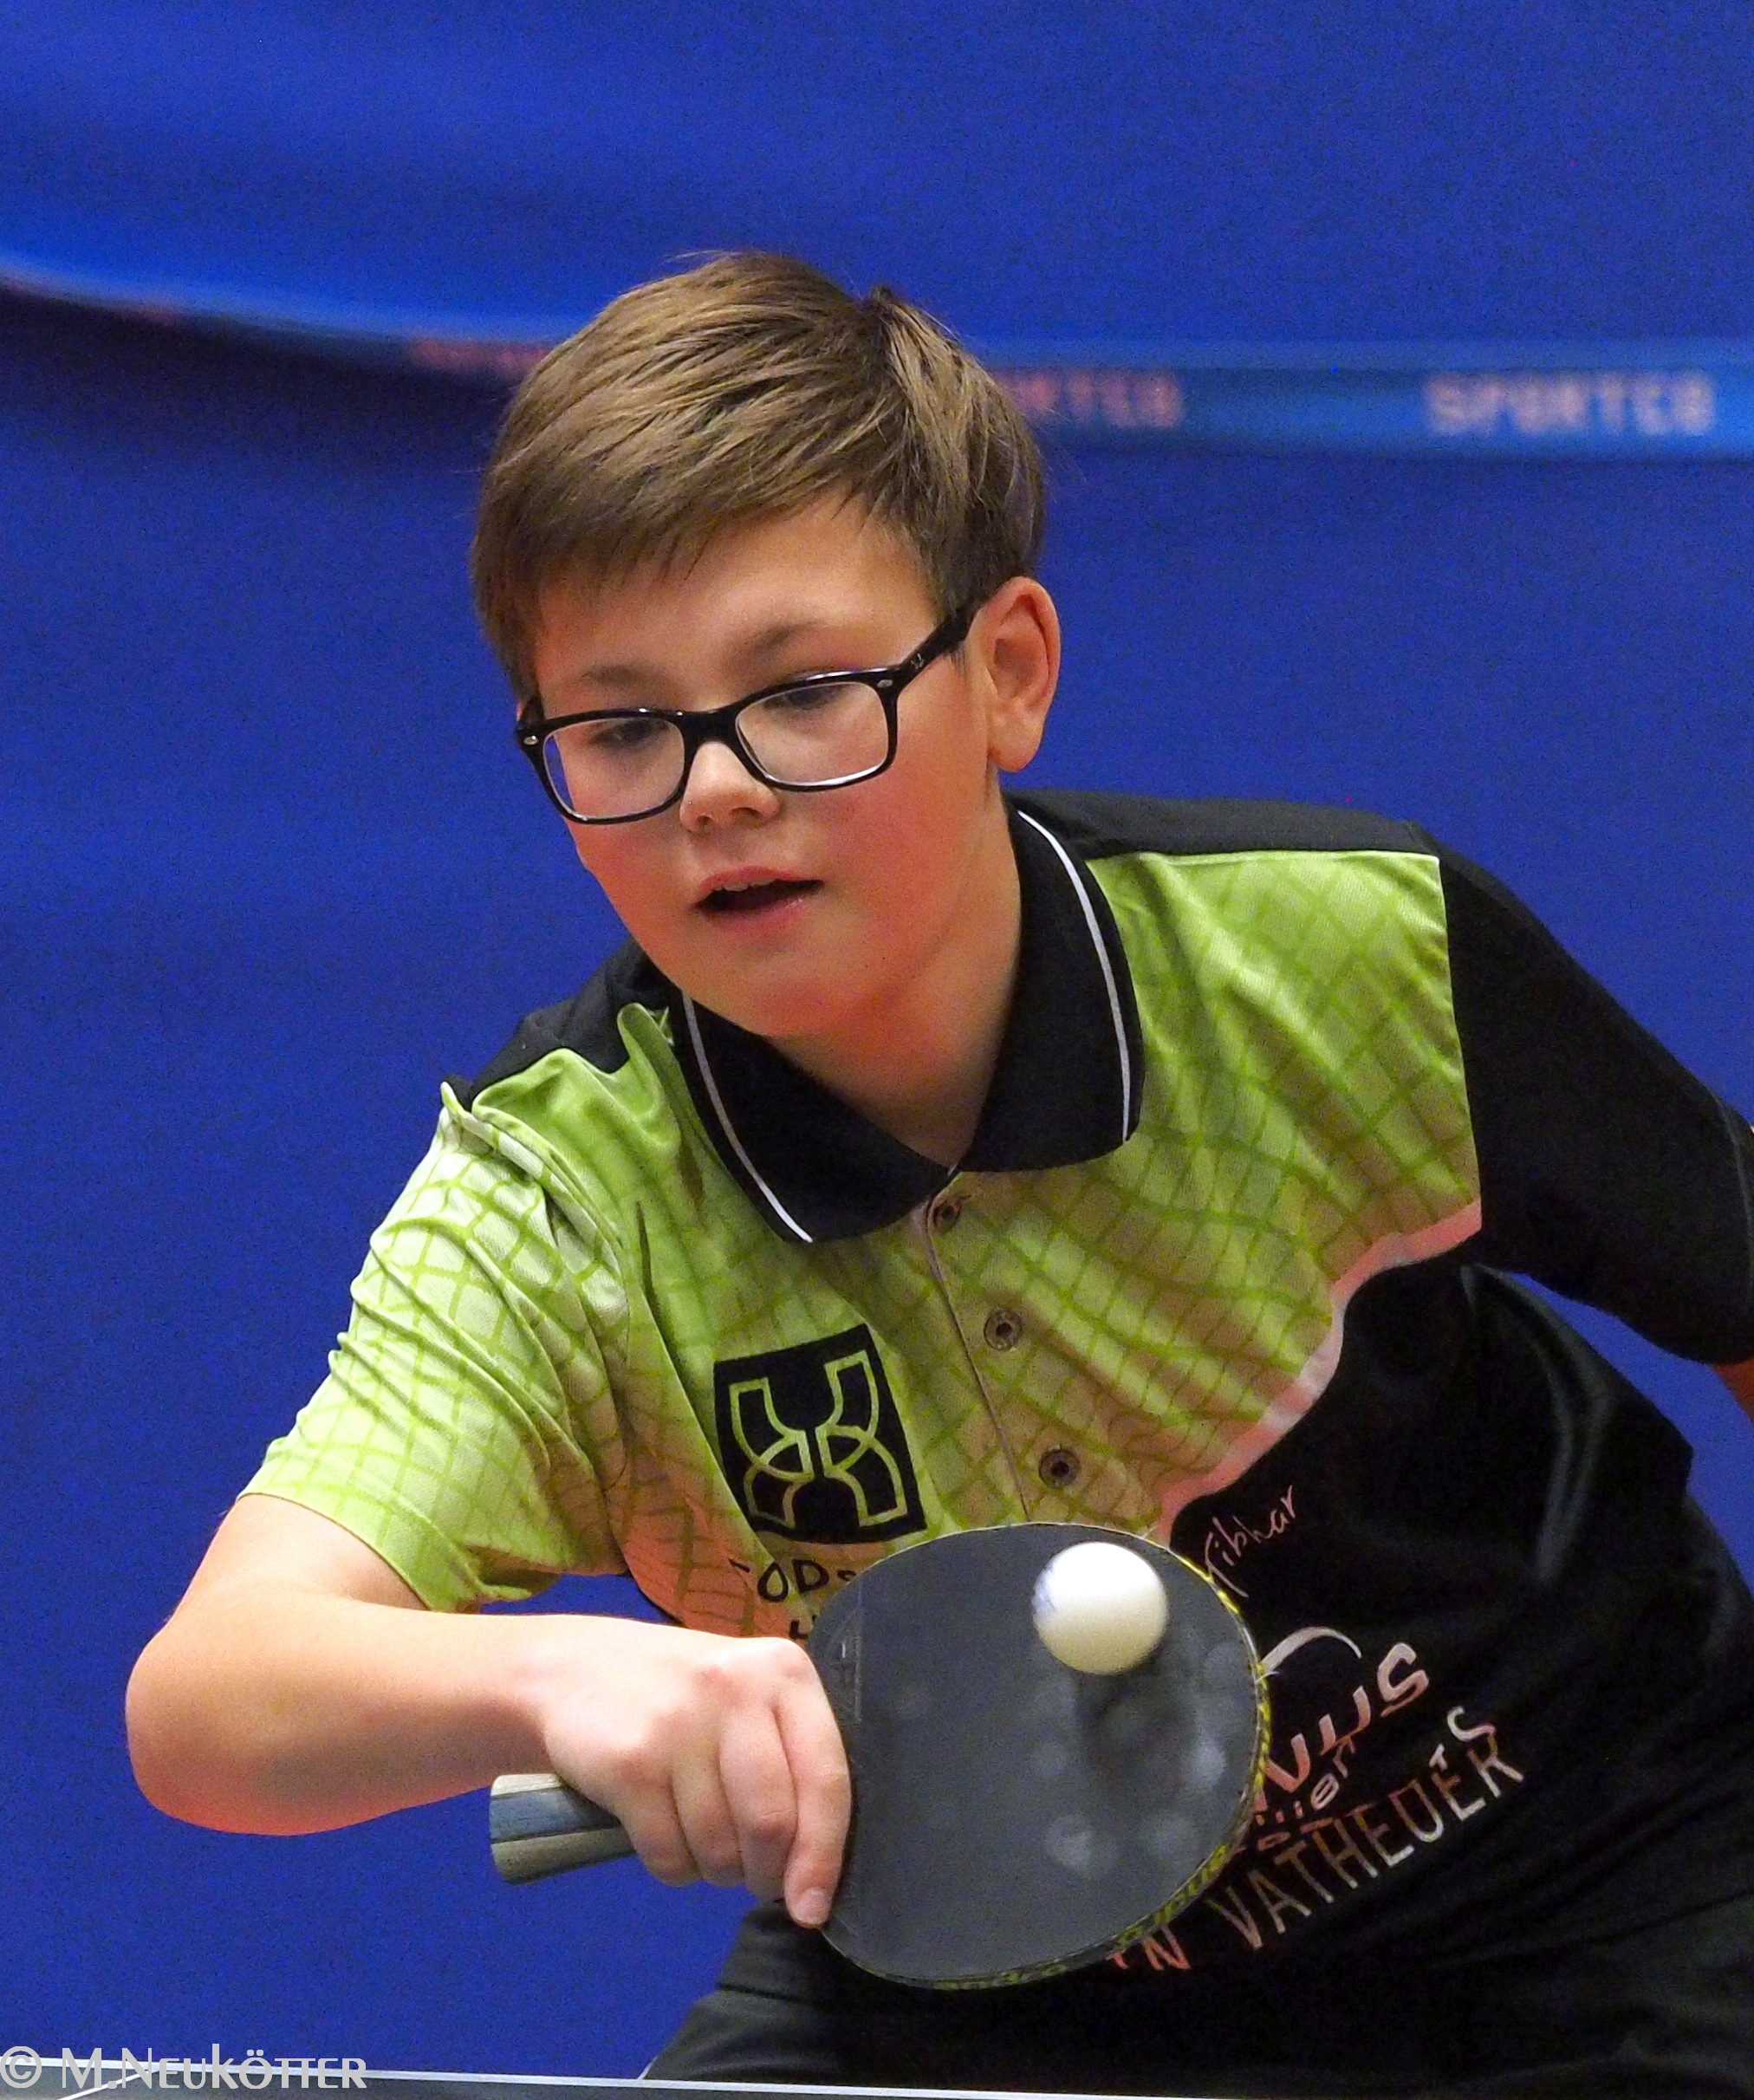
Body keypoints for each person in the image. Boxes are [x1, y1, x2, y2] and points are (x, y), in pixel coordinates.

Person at [127, 252, 1754, 2097]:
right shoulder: (563, 1211)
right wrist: (554, 1680)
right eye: (622, 729)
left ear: (1007, 675)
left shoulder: (1337, 958)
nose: (714, 789)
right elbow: (212, 1701)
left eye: (804, 690)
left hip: (1604, 1875)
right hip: (987, 1984)